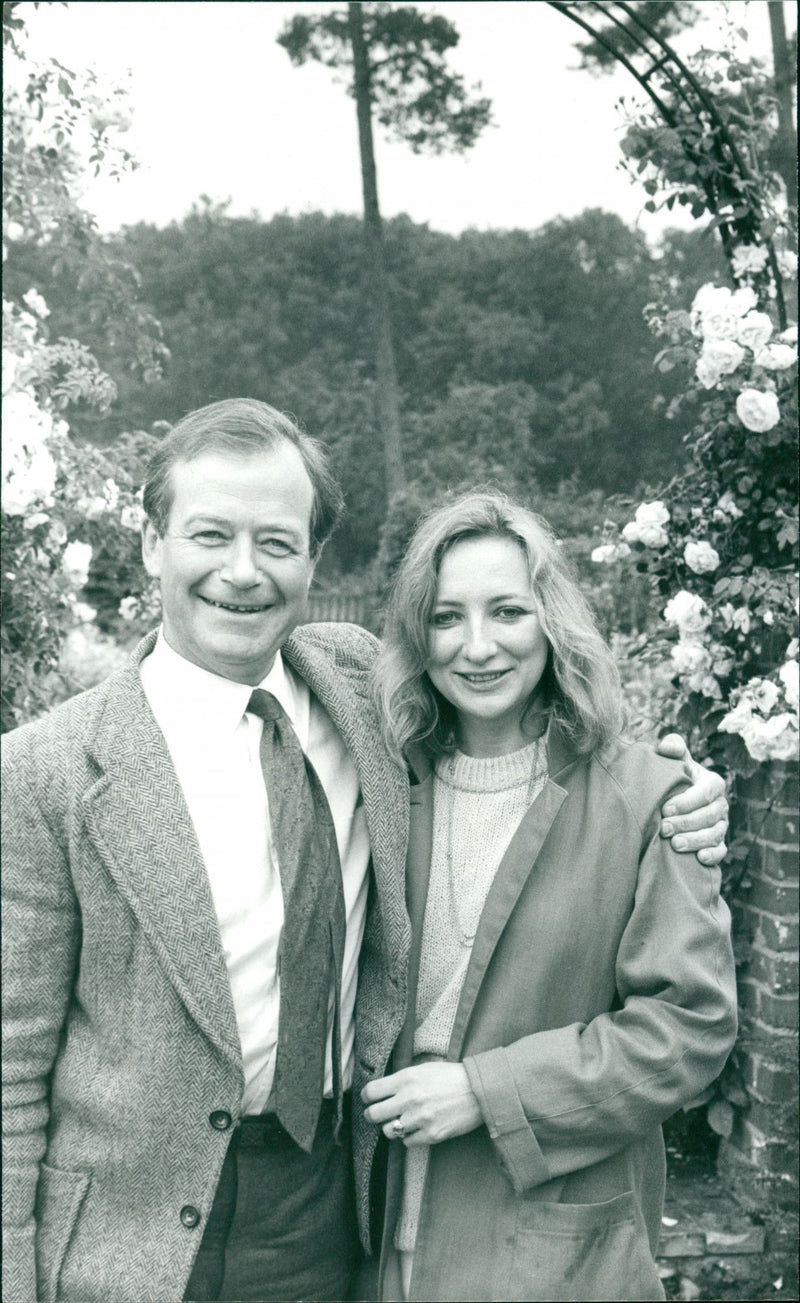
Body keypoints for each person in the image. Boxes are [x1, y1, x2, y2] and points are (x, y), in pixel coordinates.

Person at [2, 400, 728, 1303]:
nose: (241, 571)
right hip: (126, 1244)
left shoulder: (355, 692)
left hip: (330, 1207)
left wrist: (685, 790)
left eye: (275, 541)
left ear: (312, 559)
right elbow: (9, 1065)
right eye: (210, 534)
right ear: (153, 544)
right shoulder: (44, 768)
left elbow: (542, 753)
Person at [361, 490, 737, 1303]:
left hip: (551, 1252)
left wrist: (485, 1090)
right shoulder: (381, 784)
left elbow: (689, 1028)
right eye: (447, 617)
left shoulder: (651, 797)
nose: (479, 646)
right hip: (382, 1238)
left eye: (507, 611)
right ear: (415, 632)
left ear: (552, 621)